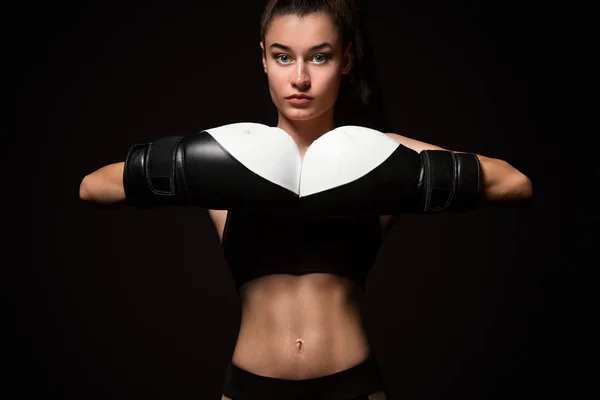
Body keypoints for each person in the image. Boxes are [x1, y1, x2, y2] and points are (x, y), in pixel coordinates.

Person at [79, 0, 533, 399]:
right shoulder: (229, 158)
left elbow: (515, 183)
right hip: (248, 389)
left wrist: (408, 173)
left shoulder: (380, 156)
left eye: (319, 57)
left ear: (346, 60)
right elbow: (92, 187)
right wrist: (185, 162)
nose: (300, 78)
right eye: (283, 57)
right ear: (263, 59)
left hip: (351, 387)